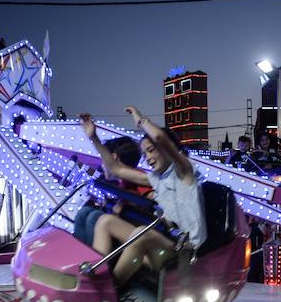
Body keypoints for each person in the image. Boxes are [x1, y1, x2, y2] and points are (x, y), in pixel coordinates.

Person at [81, 108, 206, 289]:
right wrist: (94, 138)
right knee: (105, 221)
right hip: (162, 246)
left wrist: (140, 120)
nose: (148, 158)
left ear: (166, 149)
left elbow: (160, 138)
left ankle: (107, 292)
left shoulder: (185, 172)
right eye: (145, 154)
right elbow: (116, 170)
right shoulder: (156, 178)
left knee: (141, 233)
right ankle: (95, 276)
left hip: (183, 252)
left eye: (151, 150)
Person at [73, 136, 143, 246]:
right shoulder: (124, 184)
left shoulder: (138, 177)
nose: (102, 165)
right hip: (124, 228)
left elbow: (147, 201)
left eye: (103, 159)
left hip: (135, 232)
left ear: (113, 158)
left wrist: (125, 203)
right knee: (84, 212)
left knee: (94, 216)